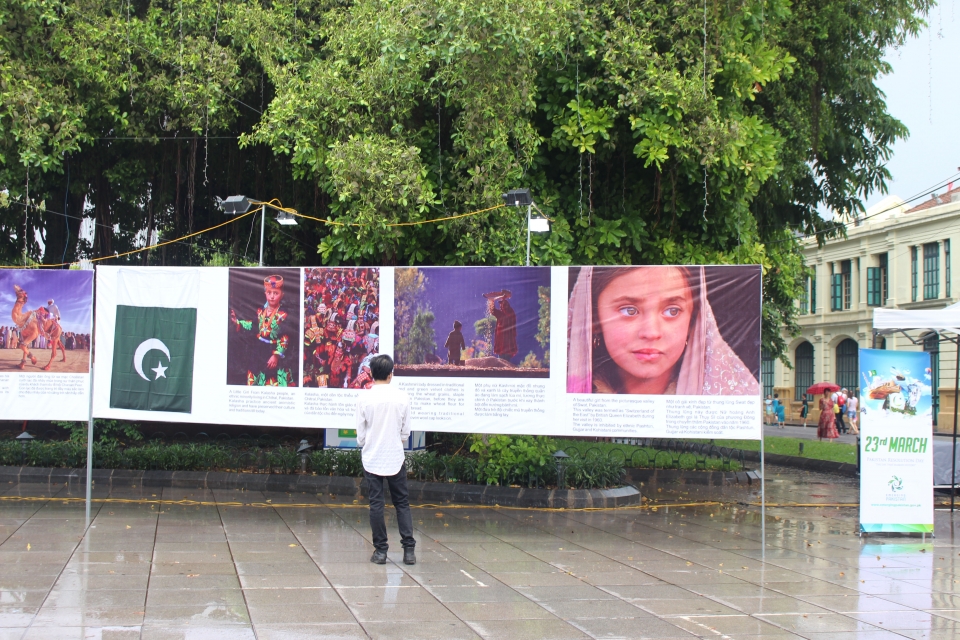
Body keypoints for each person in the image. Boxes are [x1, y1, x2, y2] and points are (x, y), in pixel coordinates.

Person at [567, 266, 759, 395]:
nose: (651, 333)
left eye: (672, 311)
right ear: (595, 319)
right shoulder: (564, 393)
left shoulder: (730, 397)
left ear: (693, 323)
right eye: (629, 310)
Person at [355, 355, 416, 566]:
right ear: (391, 374)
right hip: (395, 457)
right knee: (402, 503)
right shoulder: (402, 398)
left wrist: (370, 442)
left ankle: (381, 551)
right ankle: (409, 551)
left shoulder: (364, 398)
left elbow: (361, 435)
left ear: (371, 374)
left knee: (376, 504)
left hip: (372, 458)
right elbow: (405, 432)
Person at [230, 275, 295, 386]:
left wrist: (276, 355)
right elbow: (253, 325)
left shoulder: (284, 314)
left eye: (276, 293)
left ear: (282, 295)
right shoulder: (260, 311)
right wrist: (238, 322)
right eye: (269, 293)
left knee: (274, 381)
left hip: (273, 352)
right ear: (265, 293)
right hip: (258, 351)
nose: (272, 297)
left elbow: (285, 336)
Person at [487, 290, 518, 362]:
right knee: (501, 357)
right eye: (501, 304)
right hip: (501, 338)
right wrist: (492, 301)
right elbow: (493, 311)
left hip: (507, 338)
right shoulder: (501, 314)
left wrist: (503, 298)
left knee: (506, 356)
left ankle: (506, 369)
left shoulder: (510, 313)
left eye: (502, 305)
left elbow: (509, 314)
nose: (500, 306)